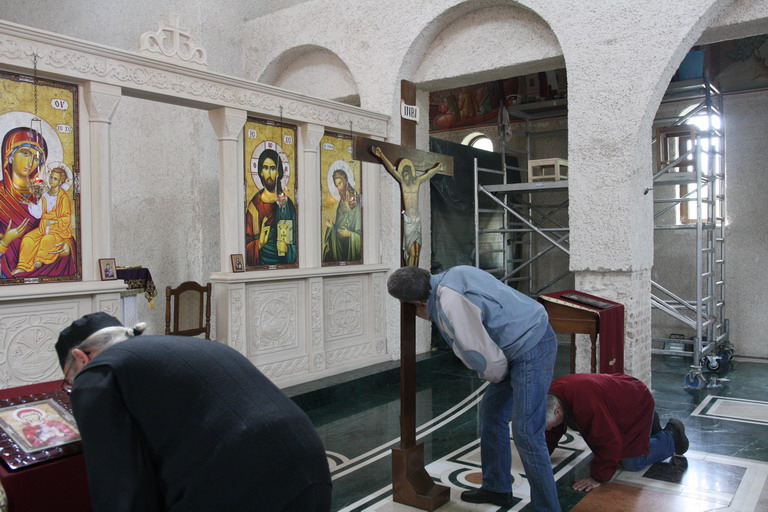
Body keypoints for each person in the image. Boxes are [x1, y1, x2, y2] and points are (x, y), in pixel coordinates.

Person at [55, 312, 331, 512]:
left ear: (81, 358)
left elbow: (119, 483)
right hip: (309, 459)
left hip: (241, 478)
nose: (73, 387)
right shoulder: (181, 347)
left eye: (70, 379)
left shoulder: (99, 371)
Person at [387, 265, 560, 511]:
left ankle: (548, 508)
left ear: (416, 302)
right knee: (491, 413)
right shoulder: (455, 273)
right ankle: (497, 488)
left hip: (531, 347)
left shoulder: (450, 303)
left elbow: (481, 355)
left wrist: (500, 376)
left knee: (527, 433)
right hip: (524, 338)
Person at [546, 373, 689, 492]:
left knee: (633, 463)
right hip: (620, 400)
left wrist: (598, 477)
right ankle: (650, 422)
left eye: (550, 425)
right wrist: (542, 456)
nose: (549, 428)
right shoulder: (549, 399)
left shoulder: (585, 405)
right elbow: (551, 429)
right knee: (613, 453)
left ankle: (672, 434)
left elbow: (609, 441)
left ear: (558, 412)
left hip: (636, 400)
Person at [0, 127, 75, 278]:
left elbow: (65, 225)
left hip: (52, 267)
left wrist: (68, 246)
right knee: (29, 239)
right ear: (10, 155)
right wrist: (5, 241)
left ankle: (38, 260)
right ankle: (23, 265)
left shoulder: (41, 193)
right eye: (25, 153)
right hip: (7, 275)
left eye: (36, 157)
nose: (30, 162)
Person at [371, 147, 442, 266]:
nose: (405, 176)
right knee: (411, 252)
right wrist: (381, 155)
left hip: (417, 220)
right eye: (403, 174)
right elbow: (391, 169)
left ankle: (416, 272)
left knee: (417, 252)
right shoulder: (403, 182)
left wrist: (438, 168)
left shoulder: (417, 181)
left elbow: (428, 174)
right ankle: (410, 272)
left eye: (406, 174)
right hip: (409, 220)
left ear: (410, 173)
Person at [13, 165, 74, 274]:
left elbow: (66, 218)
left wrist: (55, 221)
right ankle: (23, 265)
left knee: (47, 240)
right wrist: (29, 203)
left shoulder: (63, 197)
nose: (51, 180)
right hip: (43, 227)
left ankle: (40, 259)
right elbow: (39, 213)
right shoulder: (45, 195)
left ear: (60, 182)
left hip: (57, 230)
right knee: (28, 238)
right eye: (51, 177)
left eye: (55, 179)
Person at [245, 148, 297, 267]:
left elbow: (299, 241)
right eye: (265, 168)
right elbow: (246, 245)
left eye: (272, 168)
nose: (269, 173)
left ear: (278, 173)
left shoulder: (287, 205)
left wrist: (287, 249)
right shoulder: (254, 206)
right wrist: (260, 243)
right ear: (261, 172)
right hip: (260, 265)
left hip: (283, 266)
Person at [322, 168, 361, 263]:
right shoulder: (341, 203)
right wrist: (332, 227)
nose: (339, 188)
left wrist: (350, 234)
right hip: (340, 245)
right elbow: (339, 227)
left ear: (346, 181)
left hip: (351, 248)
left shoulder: (357, 201)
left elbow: (362, 234)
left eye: (340, 183)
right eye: (337, 185)